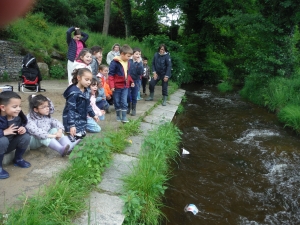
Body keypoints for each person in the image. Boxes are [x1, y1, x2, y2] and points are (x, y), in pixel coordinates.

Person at [0, 91, 31, 179]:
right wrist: (4, 132)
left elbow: (23, 123)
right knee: (3, 140)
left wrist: (23, 128)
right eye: (15, 106)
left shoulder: (17, 116)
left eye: (19, 106)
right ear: (3, 107)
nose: (19, 109)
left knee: (25, 136)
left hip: (9, 145)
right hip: (2, 144)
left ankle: (18, 159)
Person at [63, 68, 99, 140]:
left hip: (81, 119)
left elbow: (88, 105)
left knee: (81, 136)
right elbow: (71, 110)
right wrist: (72, 125)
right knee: (73, 139)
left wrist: (93, 115)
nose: (89, 82)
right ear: (79, 78)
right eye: (86, 79)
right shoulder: (73, 93)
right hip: (72, 120)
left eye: (90, 80)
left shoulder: (86, 90)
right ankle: (66, 144)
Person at [108, 44, 134, 123]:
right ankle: (118, 115)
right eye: (128, 56)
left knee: (124, 101)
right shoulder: (114, 62)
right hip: (116, 86)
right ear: (122, 54)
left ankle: (124, 117)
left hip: (125, 86)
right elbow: (111, 75)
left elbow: (127, 74)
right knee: (117, 101)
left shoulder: (128, 62)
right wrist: (112, 86)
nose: (129, 58)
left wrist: (131, 81)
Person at [127, 47, 144, 116]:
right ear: (132, 54)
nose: (138, 55)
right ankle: (129, 106)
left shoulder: (140, 62)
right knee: (127, 95)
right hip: (128, 80)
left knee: (134, 95)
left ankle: (134, 108)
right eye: (136, 54)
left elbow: (140, 72)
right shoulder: (129, 61)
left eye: (139, 54)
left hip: (136, 80)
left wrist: (139, 63)